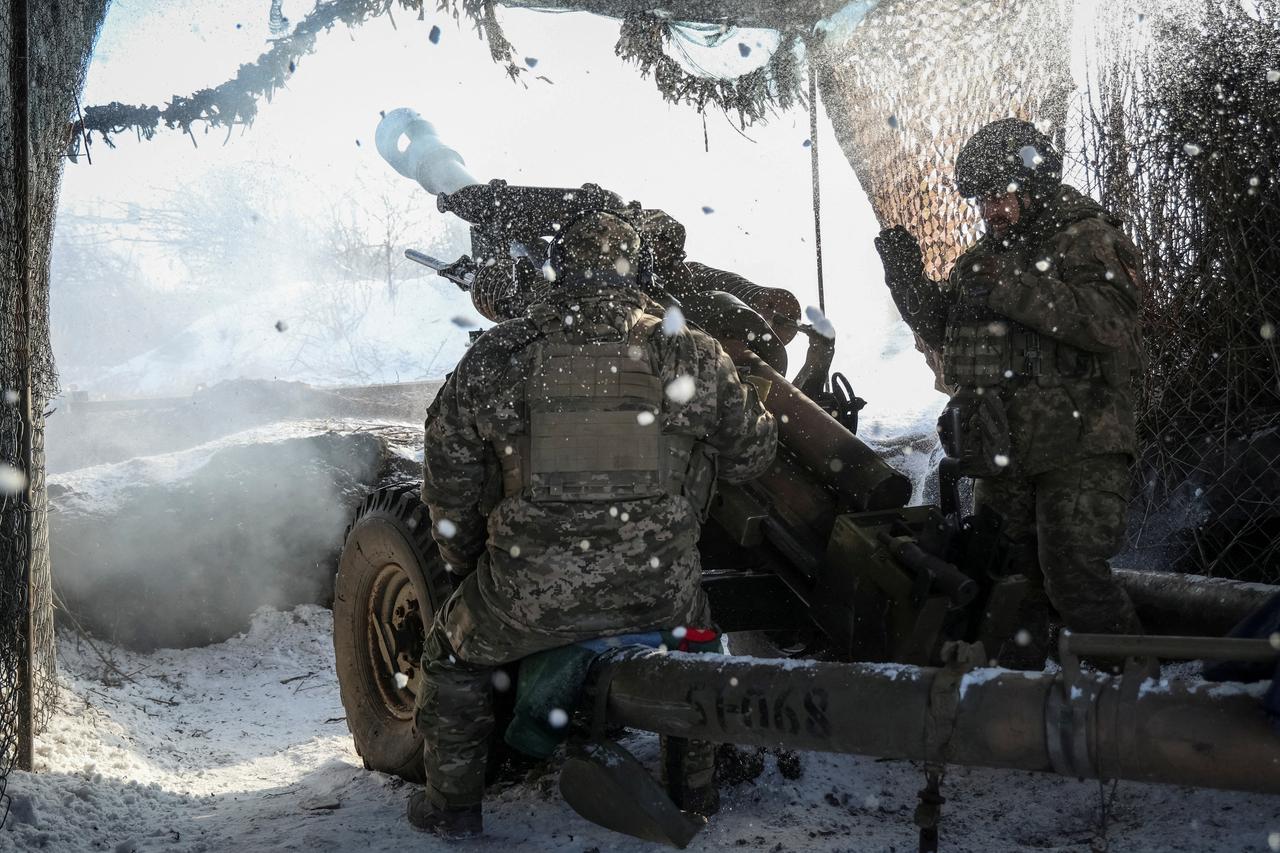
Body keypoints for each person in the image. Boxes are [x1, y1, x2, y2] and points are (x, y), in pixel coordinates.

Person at [409, 210, 778, 838]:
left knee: (452, 657)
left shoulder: (499, 355)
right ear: (636, 274)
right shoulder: (688, 350)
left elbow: (449, 487)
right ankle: (694, 795)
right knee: (696, 645)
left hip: (527, 591)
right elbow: (751, 456)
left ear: (558, 273)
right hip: (660, 587)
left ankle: (454, 809)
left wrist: (471, 566)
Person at [874, 118, 1144, 667]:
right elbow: (948, 329)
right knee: (1006, 585)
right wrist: (906, 280)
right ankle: (1018, 707)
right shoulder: (986, 255)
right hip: (1004, 447)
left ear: (1034, 187)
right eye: (983, 199)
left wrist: (1010, 286)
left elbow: (1109, 323)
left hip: (1081, 442)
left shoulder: (1085, 236)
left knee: (1075, 579)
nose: (990, 210)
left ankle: (1142, 697)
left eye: (1001, 195)